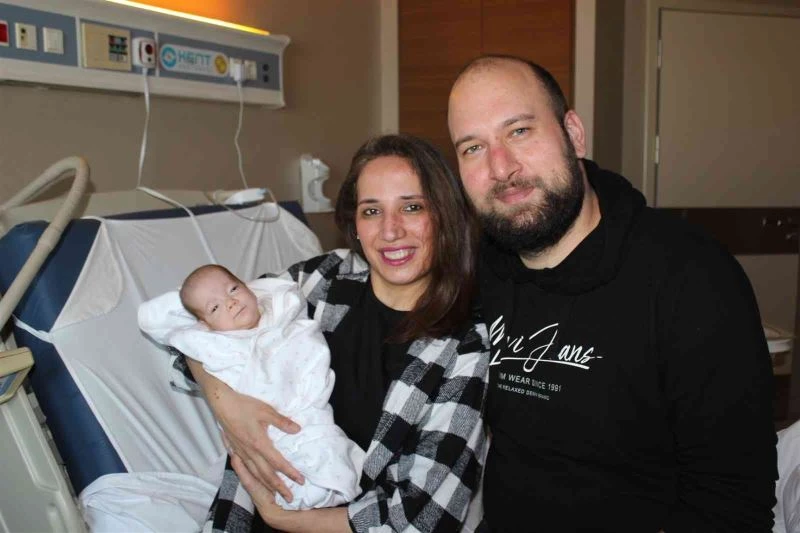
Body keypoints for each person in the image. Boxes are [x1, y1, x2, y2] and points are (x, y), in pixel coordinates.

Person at [446, 54, 777, 532]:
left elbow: (731, 501)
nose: (501, 167)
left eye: (519, 131)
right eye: (473, 147)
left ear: (574, 134)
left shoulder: (690, 275)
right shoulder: (477, 272)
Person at [168, 134, 490, 532]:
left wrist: (283, 518)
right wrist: (226, 402)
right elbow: (195, 329)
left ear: (444, 216)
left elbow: (423, 519)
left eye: (412, 207)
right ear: (354, 223)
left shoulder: (464, 346)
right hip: (241, 514)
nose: (390, 231)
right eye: (372, 211)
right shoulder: (320, 280)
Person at [138, 264, 365, 510]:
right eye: (215, 307)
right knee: (286, 462)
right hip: (265, 428)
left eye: (234, 289)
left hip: (307, 408)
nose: (231, 302)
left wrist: (218, 297)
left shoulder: (280, 308)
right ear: (204, 322)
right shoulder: (213, 341)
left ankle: (327, 488)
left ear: (249, 287)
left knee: (322, 447)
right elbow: (152, 318)